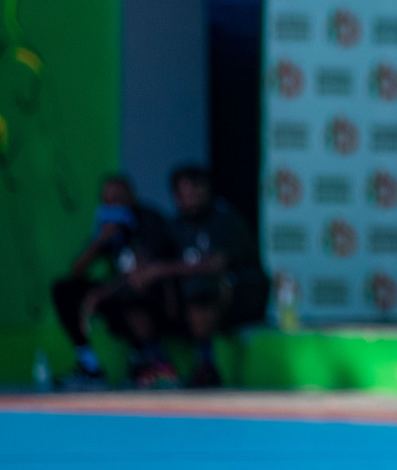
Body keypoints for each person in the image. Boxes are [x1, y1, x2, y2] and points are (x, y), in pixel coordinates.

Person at [50, 175, 180, 389]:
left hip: (152, 295)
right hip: (115, 292)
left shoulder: (148, 221)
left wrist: (100, 293)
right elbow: (77, 271)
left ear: (132, 197)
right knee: (65, 290)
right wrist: (101, 239)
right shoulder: (108, 226)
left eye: (117, 199)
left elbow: (141, 276)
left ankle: (150, 359)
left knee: (132, 294)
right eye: (106, 200)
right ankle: (89, 365)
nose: (112, 205)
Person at [152, 165, 267, 388]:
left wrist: (165, 269)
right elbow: (152, 264)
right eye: (185, 194)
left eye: (197, 192)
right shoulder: (174, 226)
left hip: (240, 297)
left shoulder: (225, 220)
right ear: (176, 197)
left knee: (200, 286)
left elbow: (216, 265)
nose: (192, 199)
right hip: (185, 305)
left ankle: (206, 363)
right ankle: (152, 361)